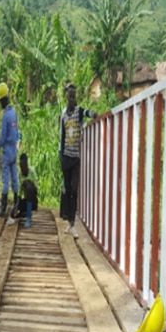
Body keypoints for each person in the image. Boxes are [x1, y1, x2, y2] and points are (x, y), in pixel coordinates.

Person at [59, 83, 97, 238]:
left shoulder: (79, 111)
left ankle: (73, 222)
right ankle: (69, 222)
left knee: (75, 190)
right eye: (70, 96)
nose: (72, 99)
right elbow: (61, 136)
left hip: (75, 158)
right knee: (68, 190)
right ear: (67, 97)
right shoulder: (63, 114)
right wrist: (60, 155)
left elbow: (87, 112)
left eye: (74, 96)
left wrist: (93, 114)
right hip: (65, 156)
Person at [0, 82, 19, 225]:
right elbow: (17, 132)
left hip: (7, 151)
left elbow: (2, 138)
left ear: (3, 100)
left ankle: (2, 208)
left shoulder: (6, 116)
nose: (0, 104)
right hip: (14, 150)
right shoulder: (14, 113)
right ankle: (16, 203)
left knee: (5, 179)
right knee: (15, 178)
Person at [14, 153, 39, 228]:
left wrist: (29, 182)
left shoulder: (32, 172)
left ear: (26, 165)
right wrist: (16, 205)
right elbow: (20, 192)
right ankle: (25, 213)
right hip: (25, 198)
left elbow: (37, 189)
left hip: (32, 199)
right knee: (16, 203)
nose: (22, 169)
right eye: (21, 167)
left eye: (23, 167)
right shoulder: (20, 175)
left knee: (28, 187)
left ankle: (29, 219)